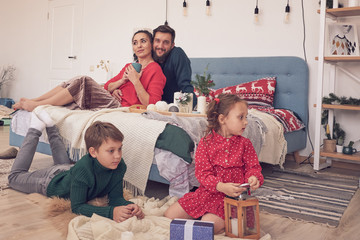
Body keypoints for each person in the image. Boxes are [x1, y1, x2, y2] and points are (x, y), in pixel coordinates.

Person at [8, 113, 144, 222]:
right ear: (93, 152)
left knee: (63, 165)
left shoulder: (119, 166)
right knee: (14, 177)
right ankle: (35, 129)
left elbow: (115, 198)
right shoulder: (84, 169)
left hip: (69, 171)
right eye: (111, 151)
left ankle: (50, 126)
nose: (117, 156)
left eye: (120, 149)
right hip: (51, 181)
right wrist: (110, 213)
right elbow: (77, 207)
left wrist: (128, 206)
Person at [164, 94, 264, 234]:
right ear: (222, 119)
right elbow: (202, 174)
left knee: (207, 227)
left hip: (231, 200)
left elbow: (253, 168)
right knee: (169, 216)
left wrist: (254, 177)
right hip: (206, 194)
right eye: (241, 117)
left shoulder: (245, 144)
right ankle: (203, 217)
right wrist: (220, 186)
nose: (246, 122)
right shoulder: (206, 143)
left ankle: (219, 220)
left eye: (246, 117)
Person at [13, 30, 166, 112]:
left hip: (121, 108)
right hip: (111, 99)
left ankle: (39, 106)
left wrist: (135, 81)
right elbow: (106, 87)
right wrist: (121, 82)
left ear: (151, 44)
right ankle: (35, 100)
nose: (138, 45)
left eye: (143, 41)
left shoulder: (156, 70)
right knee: (73, 81)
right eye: (135, 42)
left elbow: (152, 104)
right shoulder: (129, 66)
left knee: (83, 81)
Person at [152, 25, 197, 107]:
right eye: (157, 41)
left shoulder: (177, 54)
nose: (160, 46)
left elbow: (186, 87)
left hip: (172, 107)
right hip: (150, 105)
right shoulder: (148, 56)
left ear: (172, 45)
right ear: (152, 42)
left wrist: (190, 108)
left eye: (166, 42)